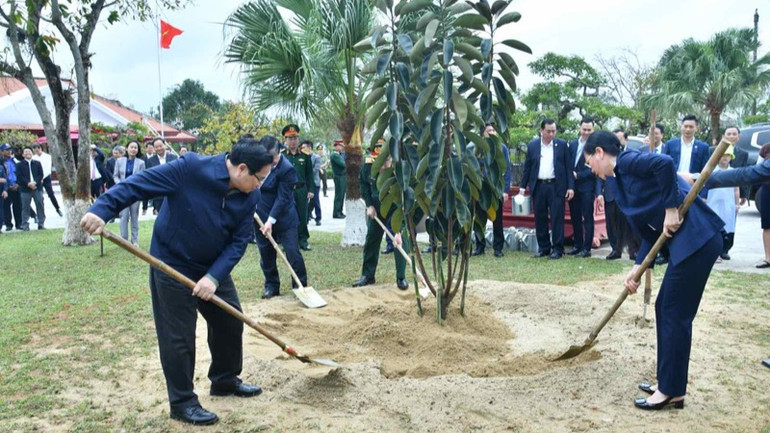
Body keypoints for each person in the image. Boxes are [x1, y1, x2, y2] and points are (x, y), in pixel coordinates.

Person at [80, 136, 270, 426]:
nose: (261, 185)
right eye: (260, 178)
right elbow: (137, 184)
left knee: (230, 322)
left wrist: (213, 277)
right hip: (172, 263)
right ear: (242, 169)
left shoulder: (250, 195)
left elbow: (239, 241)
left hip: (211, 266)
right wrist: (102, 209)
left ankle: (224, 378)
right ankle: (182, 401)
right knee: (178, 335)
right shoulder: (190, 169)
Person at [583, 130, 724, 411]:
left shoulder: (627, 162)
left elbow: (665, 165)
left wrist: (672, 208)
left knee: (673, 311)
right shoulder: (620, 183)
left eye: (589, 162)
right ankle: (668, 382)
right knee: (666, 309)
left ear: (599, 153)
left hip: (698, 239)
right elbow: (650, 231)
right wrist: (637, 269)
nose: (591, 169)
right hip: (689, 245)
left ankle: (671, 391)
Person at [255, 135, 309, 299]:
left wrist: (271, 221)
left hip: (284, 218)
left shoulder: (287, 168)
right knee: (266, 254)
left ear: (278, 152)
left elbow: (283, 198)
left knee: (292, 252)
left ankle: (300, 286)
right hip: (260, 217)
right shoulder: (256, 164)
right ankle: (271, 286)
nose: (268, 161)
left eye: (271, 157)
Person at [352, 141, 409, 290]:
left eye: (386, 161)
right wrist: (369, 204)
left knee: (400, 241)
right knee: (371, 239)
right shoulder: (368, 166)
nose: (382, 166)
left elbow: (405, 198)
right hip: (376, 209)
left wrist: (398, 230)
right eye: (379, 162)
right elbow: (364, 185)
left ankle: (401, 277)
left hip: (396, 209)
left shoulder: (399, 169)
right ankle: (368, 275)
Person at [520, 118, 574, 259]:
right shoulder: (533, 146)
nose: (551, 134)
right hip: (539, 186)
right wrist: (522, 187)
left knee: (557, 218)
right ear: (541, 131)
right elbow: (527, 168)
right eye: (548, 131)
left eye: (553, 131)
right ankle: (544, 248)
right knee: (540, 218)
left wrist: (570, 187)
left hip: (556, 186)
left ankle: (558, 249)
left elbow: (569, 167)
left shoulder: (561, 145)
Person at [472, 122, 511, 258]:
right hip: (481, 189)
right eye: (489, 131)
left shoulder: (503, 148)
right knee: (479, 219)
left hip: (496, 190)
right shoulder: (478, 149)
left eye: (494, 130)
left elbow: (507, 171)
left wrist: (505, 190)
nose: (492, 133)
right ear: (483, 133)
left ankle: (498, 248)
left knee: (497, 220)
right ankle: (479, 246)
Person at [566, 117, 601, 258]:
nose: (586, 132)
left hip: (587, 187)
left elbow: (595, 169)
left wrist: (577, 175)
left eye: (589, 130)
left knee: (587, 218)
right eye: (584, 129)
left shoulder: (596, 148)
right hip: (573, 188)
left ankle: (587, 248)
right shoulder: (573, 144)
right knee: (574, 217)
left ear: (593, 130)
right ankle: (577, 245)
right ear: (579, 128)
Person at [282, 124, 315, 251]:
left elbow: (309, 175)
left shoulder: (305, 156)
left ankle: (303, 240)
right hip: (287, 190)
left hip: (301, 190)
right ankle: (290, 242)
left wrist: (311, 190)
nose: (293, 141)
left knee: (303, 215)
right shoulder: (283, 156)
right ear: (285, 140)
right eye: (290, 139)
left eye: (295, 138)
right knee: (288, 216)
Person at [705, 147, 739, 263]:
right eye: (722, 155)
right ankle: (714, 252)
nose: (725, 157)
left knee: (727, 226)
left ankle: (724, 250)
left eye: (727, 155)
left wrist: (737, 204)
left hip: (728, 203)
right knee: (714, 227)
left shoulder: (733, 171)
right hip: (713, 203)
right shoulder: (712, 171)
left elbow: (736, 189)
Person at [113, 142, 146, 247]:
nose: (133, 149)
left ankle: (135, 240)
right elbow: (115, 176)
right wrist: (121, 185)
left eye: (135, 147)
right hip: (123, 192)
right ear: (127, 149)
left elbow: (142, 178)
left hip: (135, 193)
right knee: (124, 216)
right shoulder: (119, 161)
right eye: (131, 147)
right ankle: (124, 240)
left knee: (134, 216)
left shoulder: (141, 163)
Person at [145, 138, 178, 214]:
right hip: (159, 193)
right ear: (154, 148)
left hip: (173, 192)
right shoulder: (150, 161)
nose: (159, 148)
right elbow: (150, 177)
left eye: (160, 146)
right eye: (156, 147)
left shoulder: (173, 158)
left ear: (165, 145)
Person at [16, 147, 46, 230]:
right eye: (25, 152)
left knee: (40, 205)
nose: (28, 153)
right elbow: (19, 177)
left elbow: (41, 174)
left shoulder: (37, 163)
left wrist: (35, 182)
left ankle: (41, 223)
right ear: (23, 154)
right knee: (25, 207)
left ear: (32, 153)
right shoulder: (19, 165)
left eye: (29, 151)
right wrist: (28, 183)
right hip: (25, 189)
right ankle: (25, 225)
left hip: (37, 188)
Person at [32, 143, 62, 216]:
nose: (36, 151)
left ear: (40, 148)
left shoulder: (47, 157)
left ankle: (57, 208)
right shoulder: (33, 158)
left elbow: (47, 168)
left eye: (37, 149)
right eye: (34, 150)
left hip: (46, 177)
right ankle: (41, 213)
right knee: (39, 196)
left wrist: (42, 177)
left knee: (51, 194)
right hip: (38, 178)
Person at [1, 143, 21, 231]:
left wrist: (18, 184)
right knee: (6, 207)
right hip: (6, 187)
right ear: (1, 152)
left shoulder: (15, 160)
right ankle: (8, 224)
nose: (9, 152)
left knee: (17, 206)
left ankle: (19, 224)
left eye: (10, 150)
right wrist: (7, 186)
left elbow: (19, 173)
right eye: (6, 150)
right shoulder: (1, 162)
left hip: (16, 186)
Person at [305, 141, 323, 226]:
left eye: (304, 148)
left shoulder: (317, 157)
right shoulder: (304, 157)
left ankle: (318, 218)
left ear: (309, 148)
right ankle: (307, 216)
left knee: (315, 201)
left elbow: (315, 169)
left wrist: (306, 173)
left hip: (315, 182)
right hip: (305, 183)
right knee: (305, 201)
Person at [330, 140, 346, 218]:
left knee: (341, 195)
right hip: (339, 177)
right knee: (339, 195)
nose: (342, 148)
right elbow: (343, 164)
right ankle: (336, 212)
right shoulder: (335, 155)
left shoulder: (338, 154)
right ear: (337, 146)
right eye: (341, 146)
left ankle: (339, 211)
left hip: (342, 176)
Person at [141, 141, 155, 215]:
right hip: (145, 178)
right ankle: (144, 208)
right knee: (145, 194)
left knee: (156, 193)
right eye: (148, 148)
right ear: (146, 148)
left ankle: (155, 209)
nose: (150, 149)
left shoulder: (156, 158)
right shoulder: (142, 158)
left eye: (151, 148)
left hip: (154, 178)